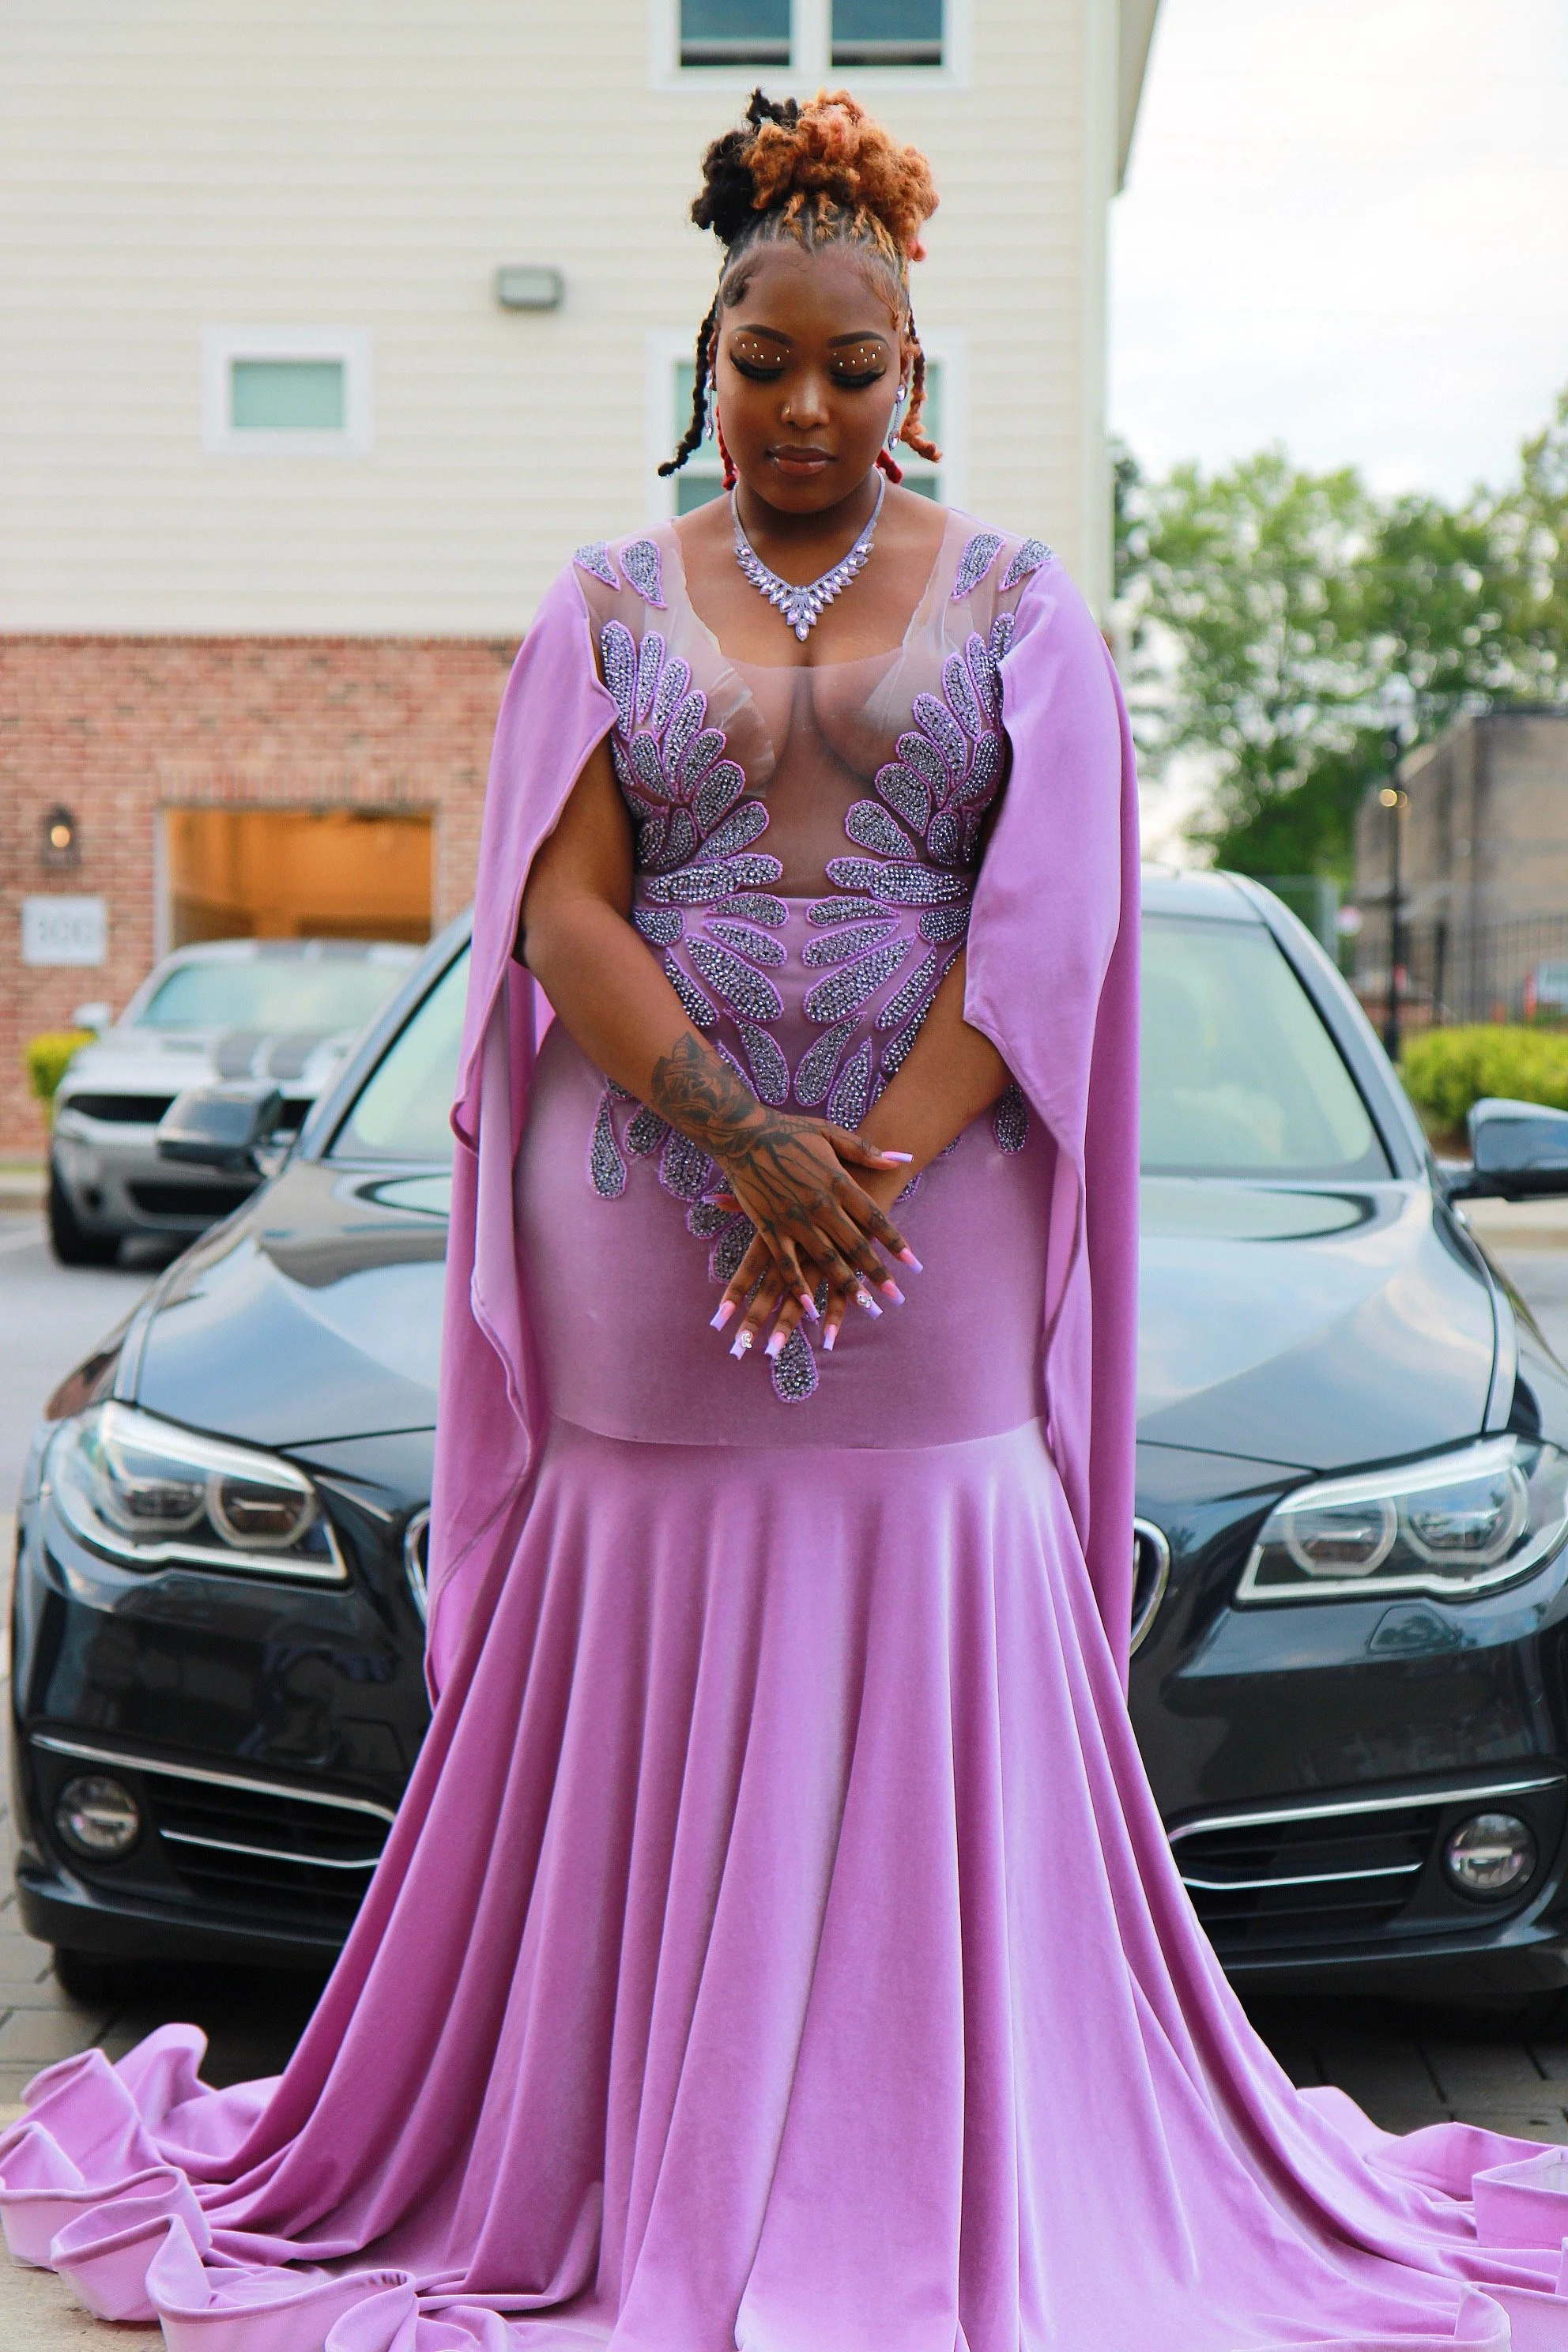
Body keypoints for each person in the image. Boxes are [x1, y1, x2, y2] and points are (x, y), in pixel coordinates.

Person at [6, 84, 1568, 2352]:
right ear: (704, 365)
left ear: (912, 375)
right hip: (646, 1212)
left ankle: (910, 2153)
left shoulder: (1031, 607)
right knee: (642, 1586)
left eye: (855, 368)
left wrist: (871, 1166)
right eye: (766, 362)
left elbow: (1048, 940)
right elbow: (556, 904)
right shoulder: (602, 602)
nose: (808, 406)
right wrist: (746, 1141)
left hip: (944, 1234)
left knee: (939, 1547)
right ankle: (627, 2144)